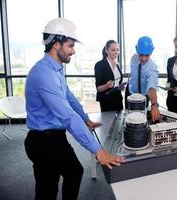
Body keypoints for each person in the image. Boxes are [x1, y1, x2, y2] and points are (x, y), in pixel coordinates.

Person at [24, 18, 123, 200]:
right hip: (42, 142)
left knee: (75, 172)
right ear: (55, 44)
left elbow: (69, 97)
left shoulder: (55, 69)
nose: (73, 50)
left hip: (56, 137)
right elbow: (67, 115)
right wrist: (99, 152)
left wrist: (86, 119)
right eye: (70, 46)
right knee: (48, 189)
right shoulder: (43, 74)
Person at [125, 36, 161, 122]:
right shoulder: (133, 58)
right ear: (136, 50)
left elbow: (152, 87)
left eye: (147, 55)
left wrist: (154, 105)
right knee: (128, 118)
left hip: (144, 96)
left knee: (140, 120)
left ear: (151, 52)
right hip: (130, 92)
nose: (143, 58)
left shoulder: (152, 68)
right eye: (141, 55)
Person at [94, 40, 124, 112]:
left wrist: (120, 87)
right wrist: (107, 86)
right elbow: (98, 88)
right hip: (107, 101)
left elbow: (117, 83)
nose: (116, 52)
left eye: (117, 50)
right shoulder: (99, 65)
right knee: (109, 122)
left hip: (118, 99)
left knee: (119, 121)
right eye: (113, 50)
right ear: (106, 50)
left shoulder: (117, 65)